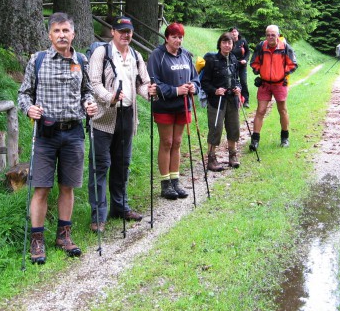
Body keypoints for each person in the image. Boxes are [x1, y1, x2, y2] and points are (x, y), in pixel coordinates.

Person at [18, 12, 98, 262]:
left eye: (66, 31)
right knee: (41, 187)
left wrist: (90, 104)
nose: (62, 35)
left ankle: (64, 236)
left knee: (68, 186)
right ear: (49, 35)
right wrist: (29, 108)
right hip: (45, 133)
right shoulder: (38, 61)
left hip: (73, 132)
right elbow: (23, 94)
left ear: (73, 34)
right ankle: (37, 241)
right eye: (57, 31)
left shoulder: (81, 60)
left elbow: (88, 91)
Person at [87, 16, 156, 233]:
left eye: (129, 31)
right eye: (121, 31)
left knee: (122, 163)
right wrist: (110, 97)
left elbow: (143, 84)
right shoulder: (102, 53)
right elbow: (94, 83)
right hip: (104, 117)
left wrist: (149, 92)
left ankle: (120, 206)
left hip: (127, 115)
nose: (126, 35)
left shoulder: (135, 55)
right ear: (113, 32)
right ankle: (98, 216)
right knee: (100, 166)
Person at [147, 22, 200, 200]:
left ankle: (175, 180)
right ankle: (165, 183)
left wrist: (193, 86)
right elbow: (154, 83)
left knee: (177, 142)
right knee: (167, 142)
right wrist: (176, 90)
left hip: (183, 105)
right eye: (174, 37)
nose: (178, 40)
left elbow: (195, 77)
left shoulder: (185, 55)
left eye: (180, 37)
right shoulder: (157, 55)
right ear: (167, 38)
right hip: (164, 105)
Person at [249, 24, 298, 150]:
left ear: (278, 36)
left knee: (282, 110)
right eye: (268, 35)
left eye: (273, 35)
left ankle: (285, 138)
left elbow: (293, 64)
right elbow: (254, 62)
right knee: (260, 111)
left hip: (280, 83)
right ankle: (255, 141)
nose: (270, 37)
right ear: (265, 35)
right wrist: (260, 71)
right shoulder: (261, 46)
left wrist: (282, 74)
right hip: (264, 84)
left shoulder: (285, 47)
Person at [201, 32, 242, 171]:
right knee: (216, 128)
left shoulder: (234, 59)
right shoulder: (212, 60)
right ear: (219, 44)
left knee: (234, 127)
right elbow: (204, 82)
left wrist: (238, 88)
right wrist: (214, 90)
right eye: (224, 42)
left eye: (229, 42)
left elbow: (237, 79)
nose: (227, 45)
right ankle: (211, 159)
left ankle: (233, 156)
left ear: (233, 44)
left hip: (232, 98)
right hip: (216, 100)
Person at [229, 27, 251, 107]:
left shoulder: (242, 41)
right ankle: (236, 100)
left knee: (243, 82)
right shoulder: (229, 42)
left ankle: (246, 100)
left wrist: (245, 59)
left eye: (235, 31)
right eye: (231, 32)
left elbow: (248, 51)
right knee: (233, 82)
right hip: (232, 65)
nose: (233, 33)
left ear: (238, 33)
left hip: (242, 65)